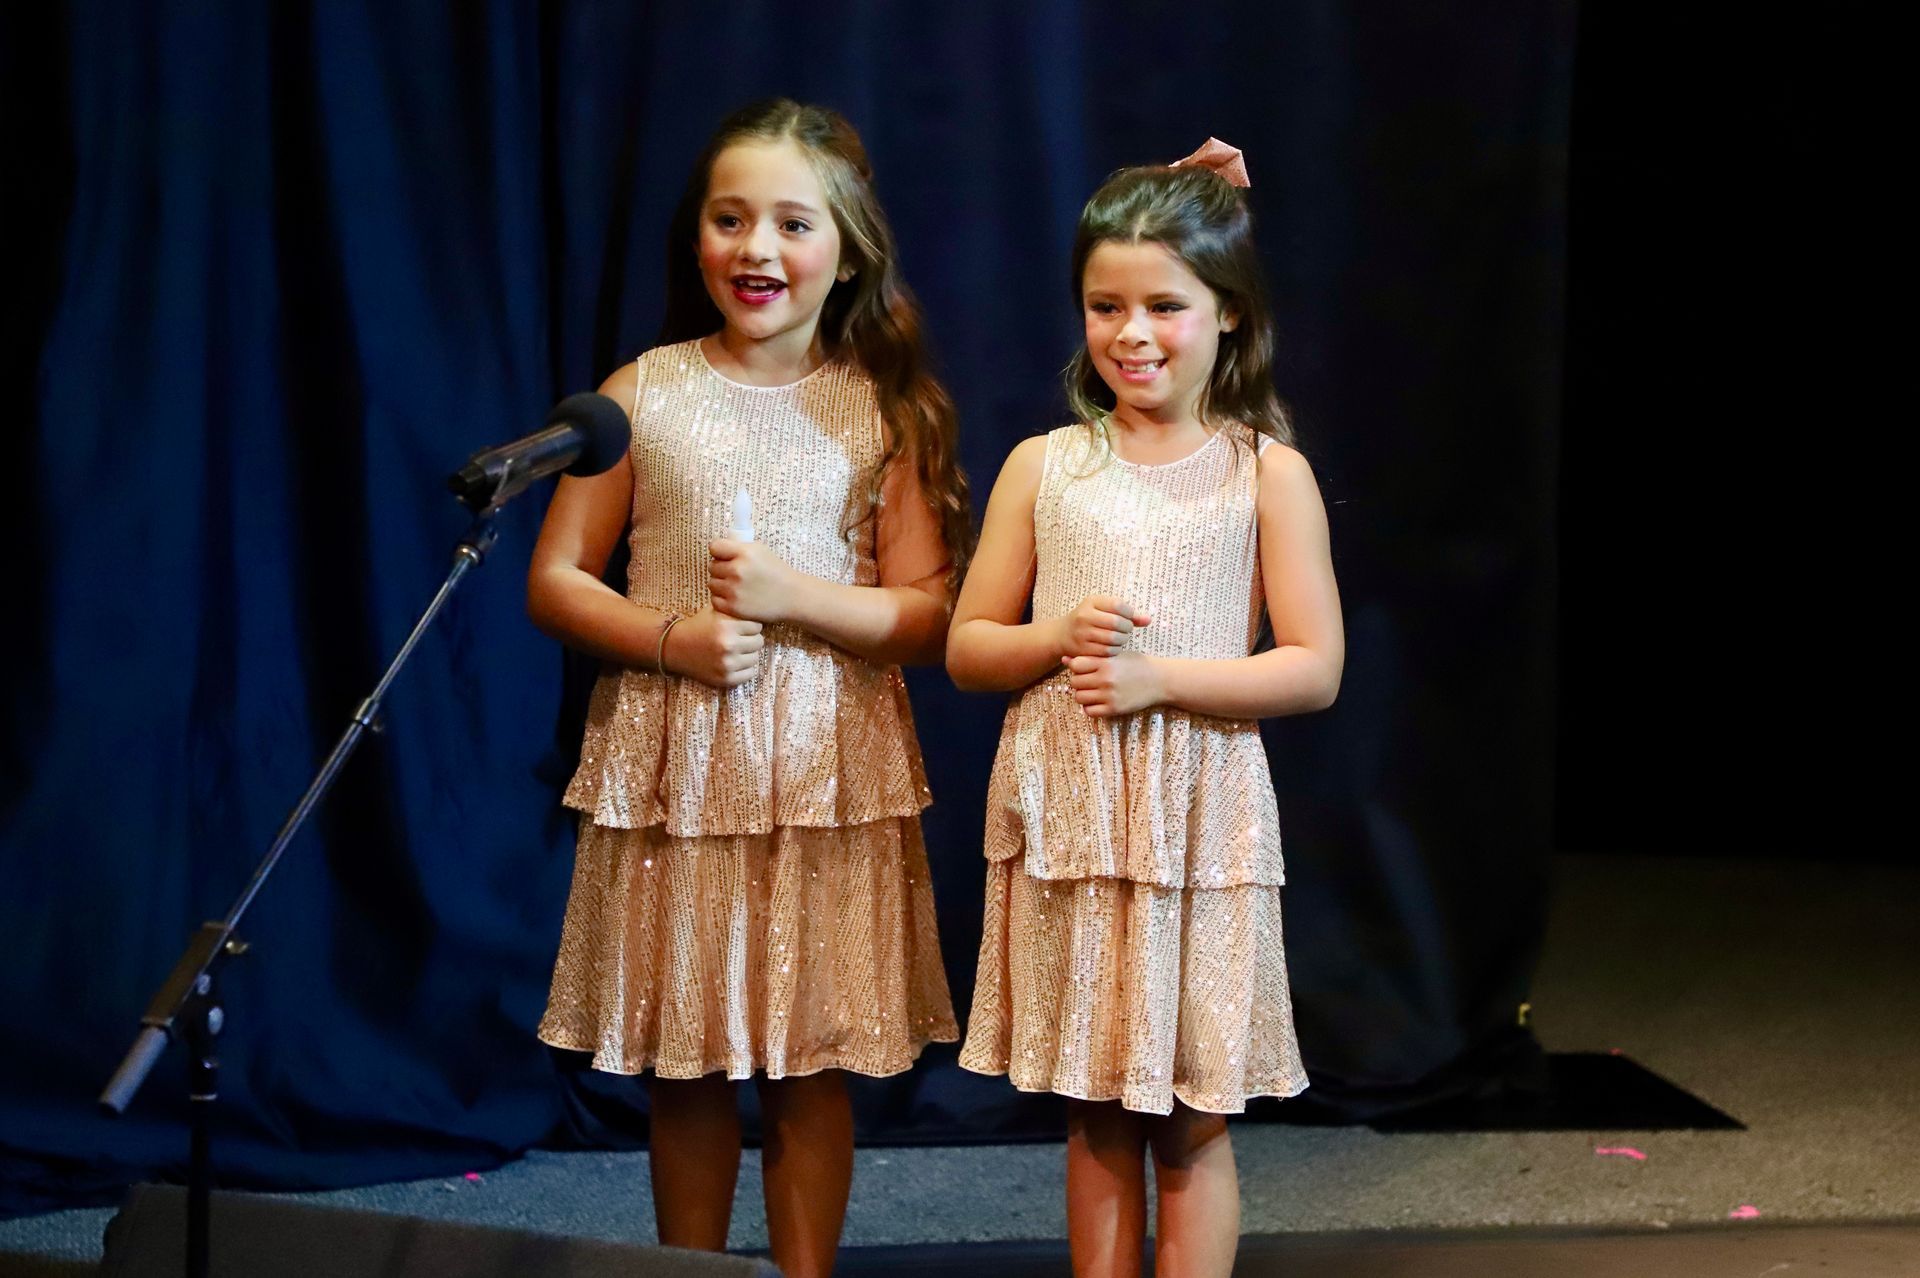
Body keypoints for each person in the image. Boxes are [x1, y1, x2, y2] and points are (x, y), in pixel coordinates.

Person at [528, 98, 970, 1278]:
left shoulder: (883, 406)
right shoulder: (646, 391)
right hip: (681, 760)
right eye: (730, 220)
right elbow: (559, 578)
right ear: (698, 239)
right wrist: (673, 637)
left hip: (827, 763)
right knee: (693, 1058)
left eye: (791, 223)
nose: (757, 250)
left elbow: (930, 617)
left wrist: (797, 599)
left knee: (808, 1056)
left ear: (849, 248)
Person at [949, 139, 1343, 1278]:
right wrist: (1050, 641)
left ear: (1228, 314)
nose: (1133, 333)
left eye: (1165, 305)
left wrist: (1163, 678)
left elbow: (1313, 665)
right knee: (1096, 1108)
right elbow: (971, 648)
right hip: (1075, 825)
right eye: (1105, 305)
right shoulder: (1045, 465)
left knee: (1192, 1112)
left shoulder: (1264, 471)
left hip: (1199, 826)